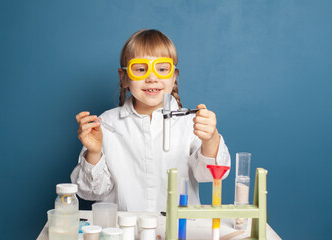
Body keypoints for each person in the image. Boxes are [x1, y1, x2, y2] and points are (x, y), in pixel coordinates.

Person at [71, 29, 230, 212]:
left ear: (174, 77)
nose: (152, 78)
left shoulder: (191, 122)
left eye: (162, 69)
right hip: (125, 232)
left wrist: (210, 139)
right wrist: (94, 152)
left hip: (178, 231)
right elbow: (91, 193)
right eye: (140, 69)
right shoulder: (106, 124)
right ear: (124, 78)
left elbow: (211, 175)